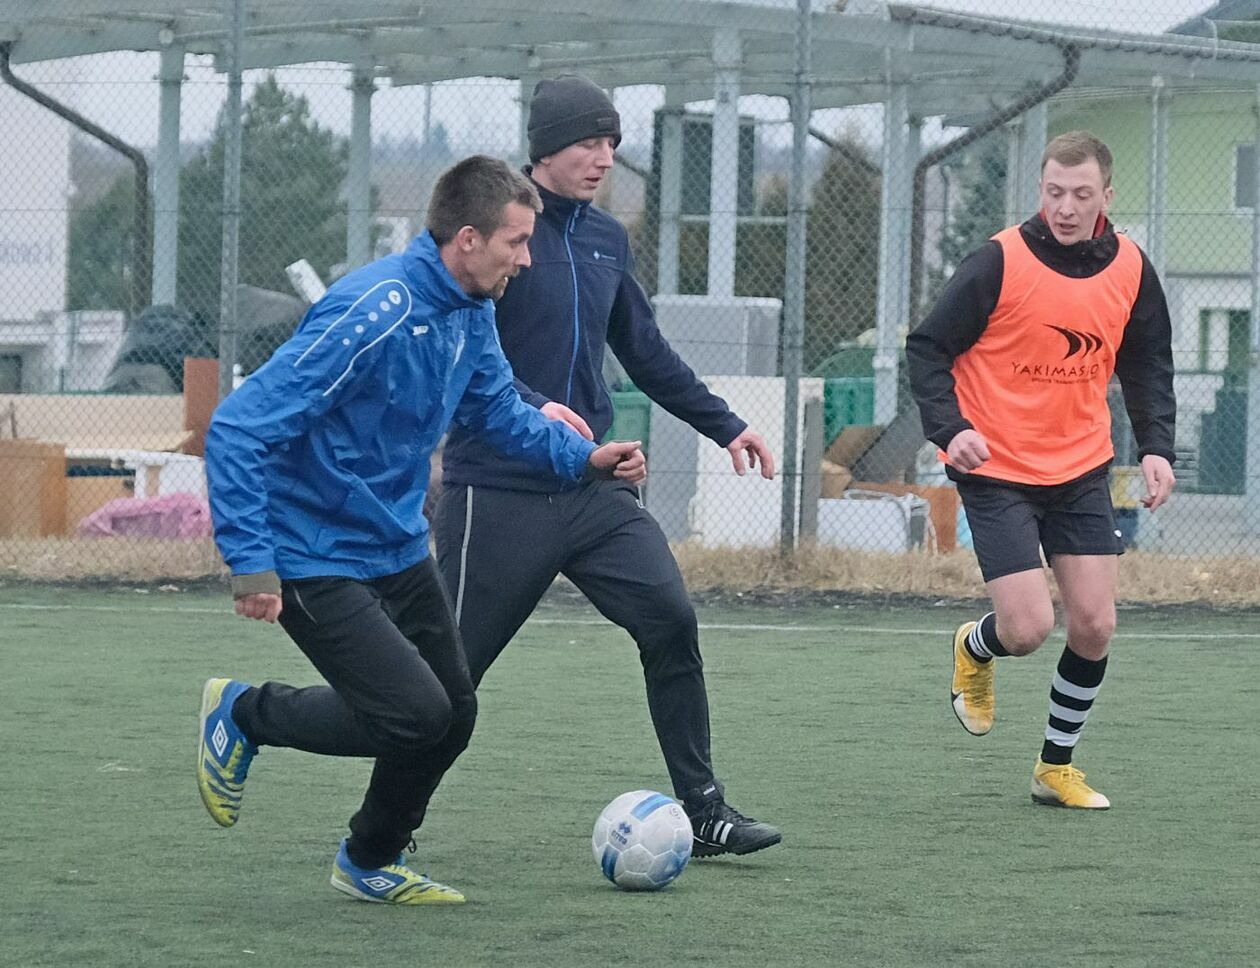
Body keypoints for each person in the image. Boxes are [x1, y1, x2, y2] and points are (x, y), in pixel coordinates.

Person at [198, 155, 646, 905]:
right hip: (310, 552)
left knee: (453, 714)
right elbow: (239, 429)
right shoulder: (370, 313)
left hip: (397, 546)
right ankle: (245, 714)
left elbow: (498, 411)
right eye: (516, 241)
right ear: (468, 239)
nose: (526, 258)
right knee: (414, 715)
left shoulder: (471, 312)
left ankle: (368, 860)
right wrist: (251, 561)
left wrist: (586, 458)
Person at [433, 74, 782, 857]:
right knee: (444, 680)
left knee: (671, 619)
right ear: (545, 149)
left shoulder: (604, 240)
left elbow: (646, 353)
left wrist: (725, 426)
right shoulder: (495, 235)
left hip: (595, 486)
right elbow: (465, 359)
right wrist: (535, 409)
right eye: (588, 141)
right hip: (499, 488)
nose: (604, 157)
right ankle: (389, 828)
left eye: (613, 143)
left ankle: (705, 810)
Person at [906, 130, 1177, 809]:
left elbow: (1146, 362)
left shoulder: (1132, 268)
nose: (1065, 206)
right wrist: (951, 428)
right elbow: (928, 348)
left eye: (1081, 194)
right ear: (1040, 191)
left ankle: (1054, 767)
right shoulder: (998, 261)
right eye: (1054, 191)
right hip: (996, 465)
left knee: (1094, 623)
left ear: (1106, 197)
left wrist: (1156, 448)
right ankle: (975, 646)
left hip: (1082, 465)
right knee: (1026, 629)